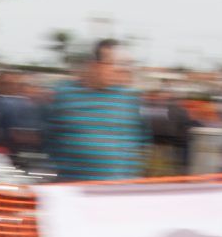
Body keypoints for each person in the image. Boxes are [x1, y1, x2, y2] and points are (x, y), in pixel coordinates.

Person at [44, 39, 148, 181]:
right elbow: (49, 139)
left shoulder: (127, 99)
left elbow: (140, 140)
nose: (117, 69)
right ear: (94, 65)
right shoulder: (64, 95)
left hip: (116, 186)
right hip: (74, 185)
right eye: (111, 63)